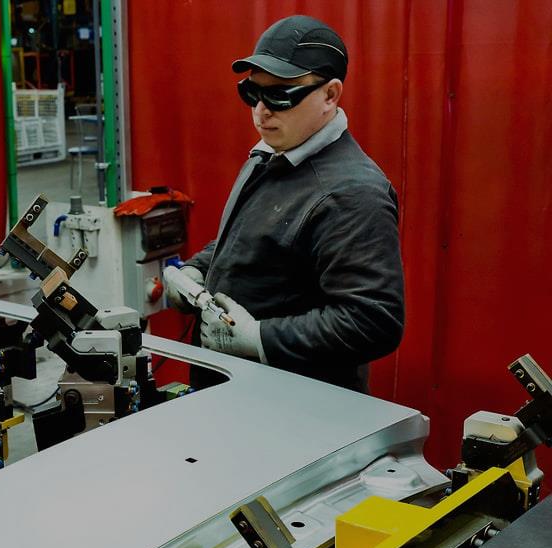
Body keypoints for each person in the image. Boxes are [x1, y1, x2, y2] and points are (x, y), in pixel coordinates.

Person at [165, 15, 404, 393]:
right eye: (252, 93)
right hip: (235, 396)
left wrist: (259, 338)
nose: (261, 110)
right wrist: (196, 271)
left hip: (294, 408)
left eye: (280, 95)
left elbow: (373, 321)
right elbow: (255, 239)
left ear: (330, 95)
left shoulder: (352, 194)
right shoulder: (271, 154)